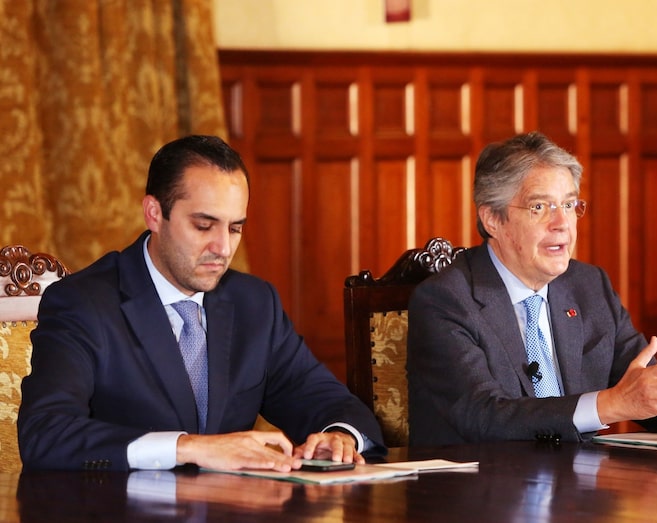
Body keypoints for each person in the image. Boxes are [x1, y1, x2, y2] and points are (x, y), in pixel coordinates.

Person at [19, 135, 385, 471]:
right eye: (204, 225)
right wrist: (189, 448)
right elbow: (46, 434)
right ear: (154, 214)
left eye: (235, 228)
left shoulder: (255, 304)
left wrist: (340, 437)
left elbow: (326, 400)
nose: (223, 248)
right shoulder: (83, 303)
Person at [406, 131, 657, 446]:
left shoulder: (588, 286)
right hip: (475, 498)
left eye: (570, 205)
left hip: (577, 495)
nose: (562, 224)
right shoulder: (445, 299)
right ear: (492, 218)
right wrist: (609, 405)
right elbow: (483, 416)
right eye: (540, 208)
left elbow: (647, 395)